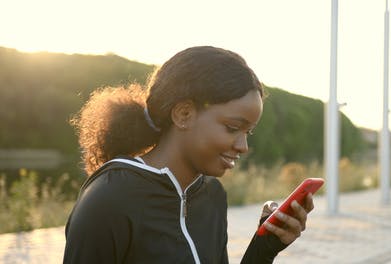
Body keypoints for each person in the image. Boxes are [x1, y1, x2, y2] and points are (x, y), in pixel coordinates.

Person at [63, 46, 315, 264]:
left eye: (248, 132)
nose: (243, 146)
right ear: (184, 114)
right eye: (232, 128)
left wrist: (264, 248)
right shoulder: (109, 198)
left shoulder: (212, 196)